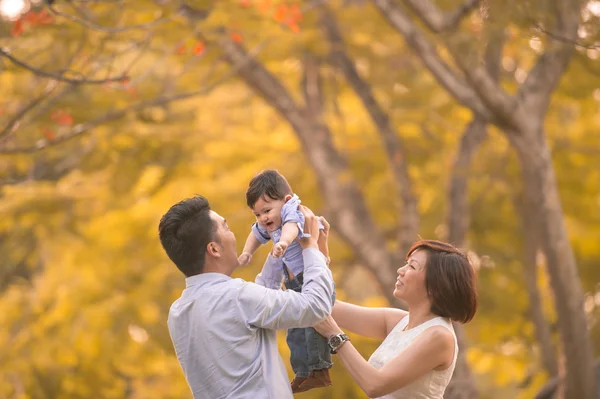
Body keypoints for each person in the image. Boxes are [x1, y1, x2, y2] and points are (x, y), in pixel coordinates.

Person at [158, 195, 334, 399]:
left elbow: (250, 311)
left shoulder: (178, 312)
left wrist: (281, 250)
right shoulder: (236, 297)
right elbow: (315, 307)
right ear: (214, 249)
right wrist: (311, 247)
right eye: (226, 228)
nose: (232, 235)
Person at [314, 240, 478, 399]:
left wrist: (334, 335)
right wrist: (318, 255)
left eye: (412, 266)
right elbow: (323, 305)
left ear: (436, 286)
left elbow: (374, 385)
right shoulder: (397, 321)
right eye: (406, 263)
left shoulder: (440, 336)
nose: (401, 270)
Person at [238, 169, 335, 393]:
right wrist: (247, 253)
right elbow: (255, 234)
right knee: (295, 331)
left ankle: (320, 369)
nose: (263, 218)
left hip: (311, 277)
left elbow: (292, 227)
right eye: (257, 214)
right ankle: (303, 372)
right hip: (293, 284)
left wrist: (283, 242)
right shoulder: (269, 220)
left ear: (286, 201)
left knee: (313, 328)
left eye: (267, 210)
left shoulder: (294, 211)